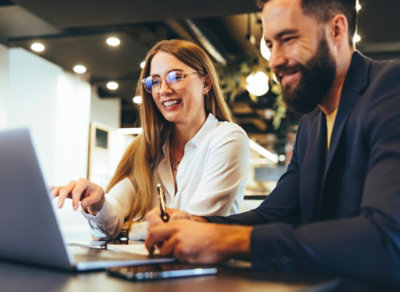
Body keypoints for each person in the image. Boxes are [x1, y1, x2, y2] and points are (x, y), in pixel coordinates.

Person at [145, 0, 400, 286]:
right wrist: (199, 224)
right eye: (269, 45)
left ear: (337, 30)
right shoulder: (311, 124)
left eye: (287, 39)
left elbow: (387, 237)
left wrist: (234, 240)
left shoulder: (390, 88)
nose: (274, 60)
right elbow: (274, 214)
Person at [52, 39, 249, 240]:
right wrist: (98, 203)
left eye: (175, 76)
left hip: (208, 269)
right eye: (155, 81)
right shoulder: (148, 148)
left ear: (205, 83)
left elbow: (194, 226)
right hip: (151, 268)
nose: (163, 89)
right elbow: (110, 221)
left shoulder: (228, 138)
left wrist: (127, 230)